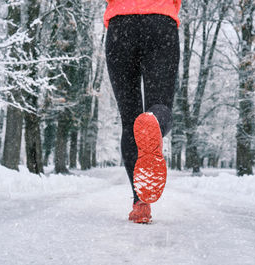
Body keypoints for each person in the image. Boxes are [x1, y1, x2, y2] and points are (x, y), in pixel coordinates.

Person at [104, 0, 181, 223]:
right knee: (159, 107)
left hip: (121, 27)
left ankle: (141, 203)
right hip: (160, 23)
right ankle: (155, 120)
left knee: (130, 121)